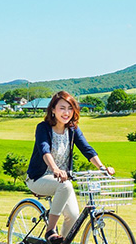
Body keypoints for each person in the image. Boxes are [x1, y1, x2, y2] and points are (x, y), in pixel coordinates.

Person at [26, 91, 114, 244]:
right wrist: (55, 169)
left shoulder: (72, 130)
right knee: (66, 185)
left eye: (70, 108)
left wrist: (102, 167)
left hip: (62, 180)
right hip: (39, 178)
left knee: (73, 217)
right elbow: (44, 150)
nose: (66, 112)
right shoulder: (43, 128)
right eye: (62, 108)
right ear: (53, 110)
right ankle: (50, 230)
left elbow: (87, 149)